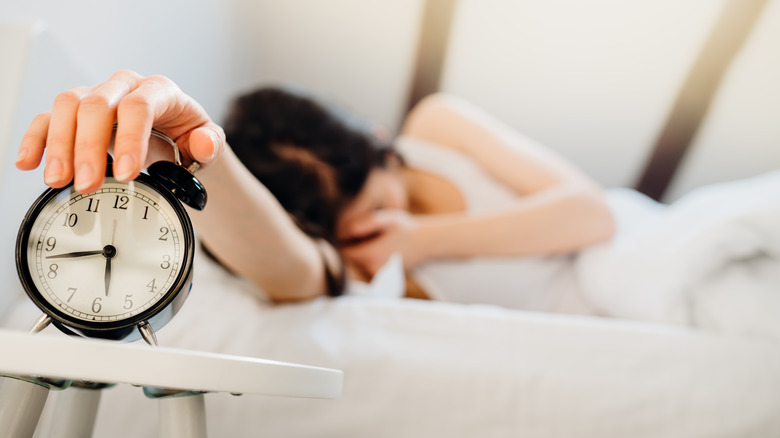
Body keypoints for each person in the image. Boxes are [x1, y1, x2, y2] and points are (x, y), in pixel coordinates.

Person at [15, 70, 615, 308]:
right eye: (360, 223)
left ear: (382, 143)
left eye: (381, 204)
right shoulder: (359, 253)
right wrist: (199, 163)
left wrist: (424, 237)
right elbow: (295, 269)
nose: (382, 223)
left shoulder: (437, 126)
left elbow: (594, 215)